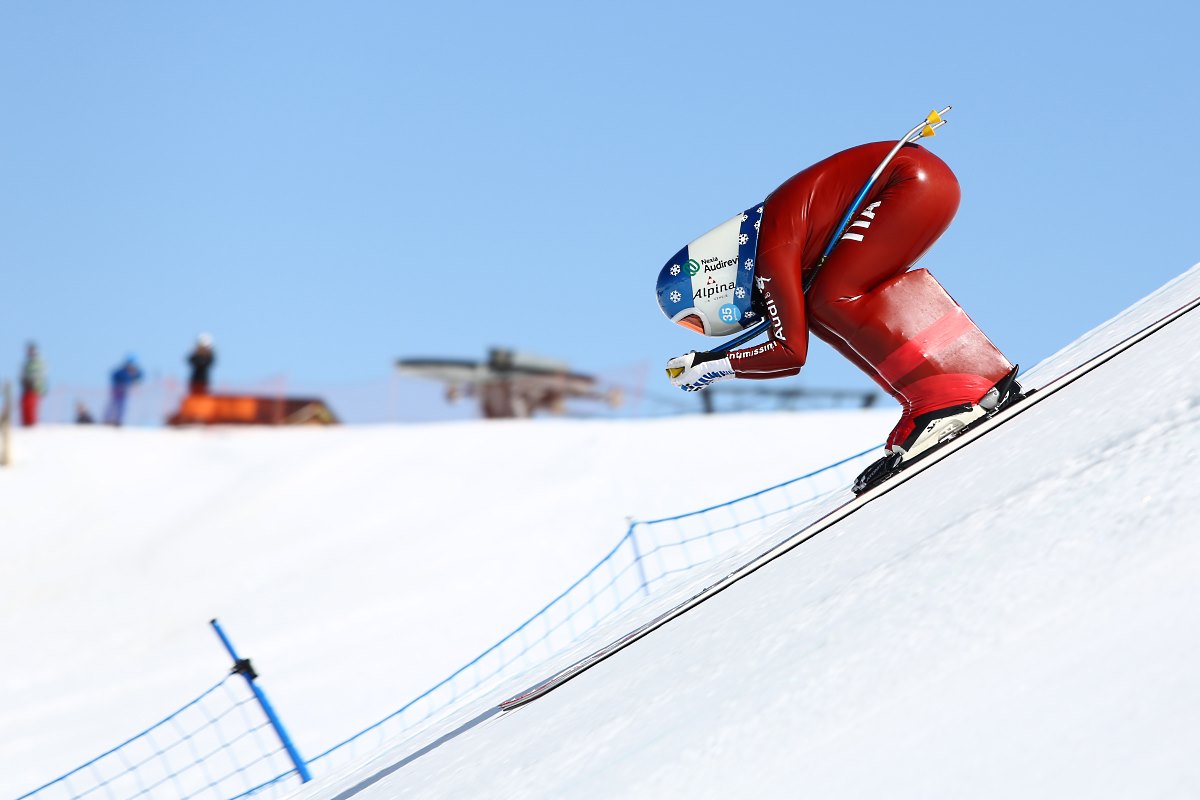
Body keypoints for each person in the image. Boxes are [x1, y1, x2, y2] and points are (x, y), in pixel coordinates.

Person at [656, 140, 1022, 485]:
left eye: (697, 320)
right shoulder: (773, 239)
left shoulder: (770, 253)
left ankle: (948, 398)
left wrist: (713, 366)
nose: (709, 326)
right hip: (919, 178)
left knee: (831, 298)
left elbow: (790, 353)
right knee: (819, 304)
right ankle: (967, 380)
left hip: (909, 181)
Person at [105, 355, 144, 426]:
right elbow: (114, 376)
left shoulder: (136, 372)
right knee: (114, 406)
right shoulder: (121, 372)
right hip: (118, 393)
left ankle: (118, 421)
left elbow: (139, 377)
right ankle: (110, 420)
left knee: (123, 408)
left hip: (127, 394)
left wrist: (135, 379)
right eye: (130, 364)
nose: (131, 366)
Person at [19, 342, 47, 427]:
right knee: (25, 406)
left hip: (35, 389)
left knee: (32, 407)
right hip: (27, 389)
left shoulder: (39, 362)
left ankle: (32, 423)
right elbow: (22, 375)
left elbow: (41, 375)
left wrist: (36, 383)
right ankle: (26, 422)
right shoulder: (27, 363)